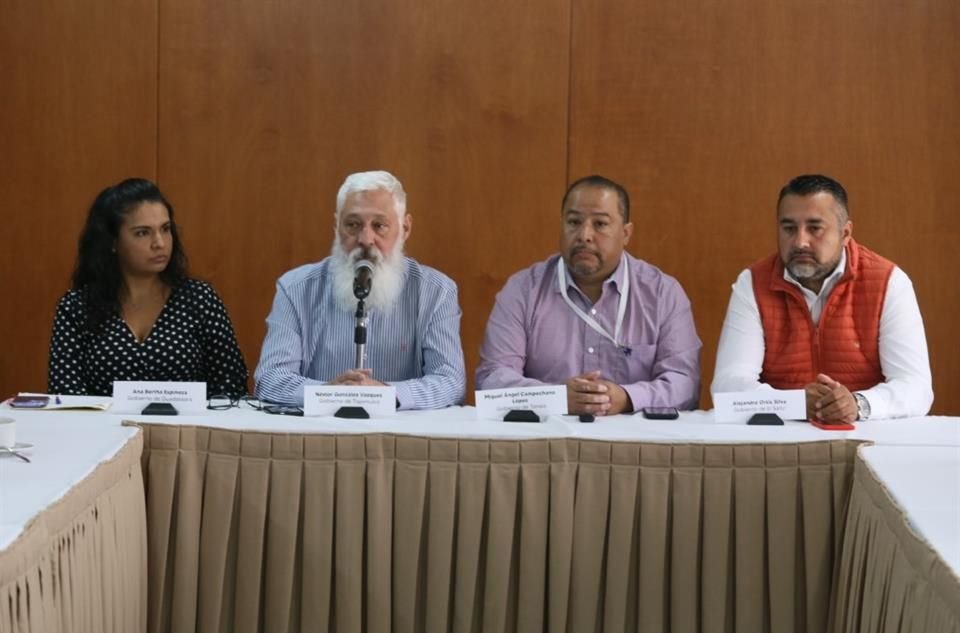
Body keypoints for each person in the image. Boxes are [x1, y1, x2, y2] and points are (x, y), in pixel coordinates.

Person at [711, 174, 933, 423]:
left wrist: (858, 404)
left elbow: (916, 387)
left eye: (815, 228)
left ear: (845, 233)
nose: (800, 242)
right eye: (789, 228)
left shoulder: (888, 281)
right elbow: (727, 387)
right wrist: (793, 404)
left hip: (867, 437)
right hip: (780, 440)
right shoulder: (752, 283)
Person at [475, 175, 702, 416]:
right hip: (546, 442)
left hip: (636, 444)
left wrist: (627, 398)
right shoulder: (523, 289)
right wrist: (555, 399)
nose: (584, 235)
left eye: (600, 224)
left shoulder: (661, 293)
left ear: (626, 233)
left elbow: (684, 383)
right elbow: (491, 378)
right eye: (573, 222)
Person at [254, 170, 465, 409]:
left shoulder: (436, 292)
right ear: (336, 226)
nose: (366, 239)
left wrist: (386, 394)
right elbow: (270, 378)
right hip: (321, 435)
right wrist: (328, 394)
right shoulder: (295, 288)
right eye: (353, 225)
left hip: (400, 437)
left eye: (379, 225)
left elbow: (450, 382)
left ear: (405, 228)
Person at [48, 178, 248, 398]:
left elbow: (231, 384)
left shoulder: (199, 299)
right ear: (113, 242)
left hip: (187, 430)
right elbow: (66, 393)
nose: (160, 243)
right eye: (143, 233)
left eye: (165, 229)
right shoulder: (77, 306)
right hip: (103, 431)